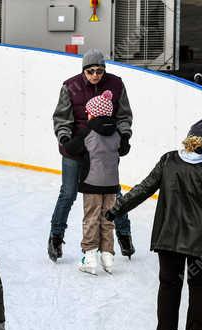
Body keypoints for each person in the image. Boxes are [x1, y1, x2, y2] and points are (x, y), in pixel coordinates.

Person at [107, 118, 202, 330]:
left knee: (169, 284)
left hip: (168, 237)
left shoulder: (169, 160)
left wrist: (117, 208)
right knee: (200, 286)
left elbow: (144, 188)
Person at [49, 50, 134, 261]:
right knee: (68, 193)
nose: (95, 75)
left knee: (114, 194)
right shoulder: (70, 86)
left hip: (103, 150)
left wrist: (124, 136)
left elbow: (124, 115)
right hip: (76, 150)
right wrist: (65, 139)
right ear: (83, 71)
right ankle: (56, 237)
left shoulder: (116, 85)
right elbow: (62, 118)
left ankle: (124, 234)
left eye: (99, 71)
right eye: (90, 71)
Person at [62, 91, 125, 275]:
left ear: (93, 114)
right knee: (108, 219)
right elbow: (124, 149)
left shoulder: (87, 131)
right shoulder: (116, 133)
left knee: (91, 218)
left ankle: (90, 257)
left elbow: (71, 148)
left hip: (91, 183)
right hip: (112, 184)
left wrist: (66, 139)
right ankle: (107, 256)